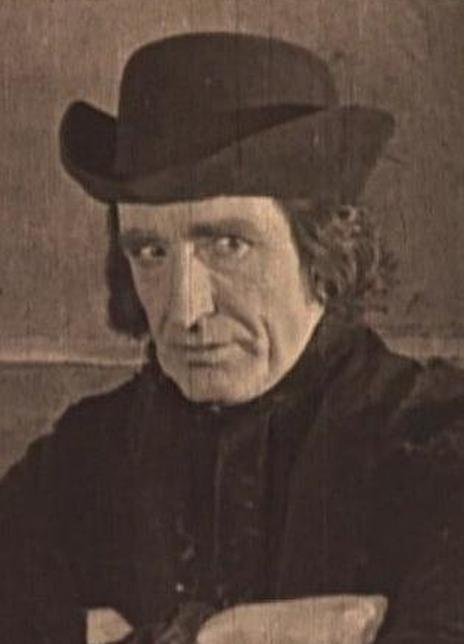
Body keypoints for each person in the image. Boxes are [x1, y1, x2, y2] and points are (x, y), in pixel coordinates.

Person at [1, 31, 464, 644]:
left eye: (227, 245)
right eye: (150, 251)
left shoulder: (438, 440)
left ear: (323, 250)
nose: (185, 309)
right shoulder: (81, 458)